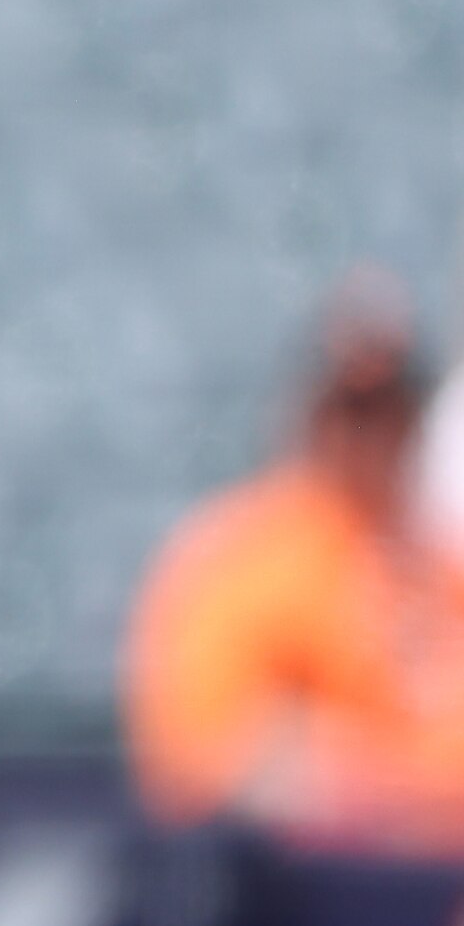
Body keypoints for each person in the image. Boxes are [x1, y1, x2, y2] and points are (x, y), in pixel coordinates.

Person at [131, 307, 464, 844]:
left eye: (389, 414)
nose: (368, 437)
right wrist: (385, 779)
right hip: (296, 891)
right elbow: (212, 755)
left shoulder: (439, 561)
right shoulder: (240, 557)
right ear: (306, 413)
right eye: (349, 413)